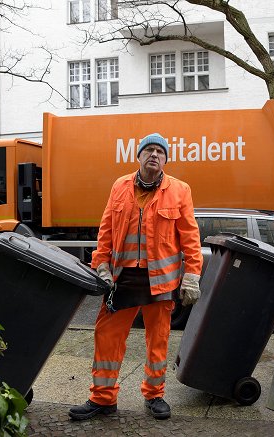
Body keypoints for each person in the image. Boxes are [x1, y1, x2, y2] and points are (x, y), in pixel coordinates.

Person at [69, 133, 203, 421]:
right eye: (148, 150)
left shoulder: (180, 190)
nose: (154, 155)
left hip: (162, 280)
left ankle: (154, 396)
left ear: (166, 159)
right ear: (138, 156)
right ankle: (103, 398)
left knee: (158, 340)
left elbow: (190, 237)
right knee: (106, 337)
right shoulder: (119, 186)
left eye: (160, 152)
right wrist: (101, 264)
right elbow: (105, 230)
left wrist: (192, 275)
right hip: (122, 279)